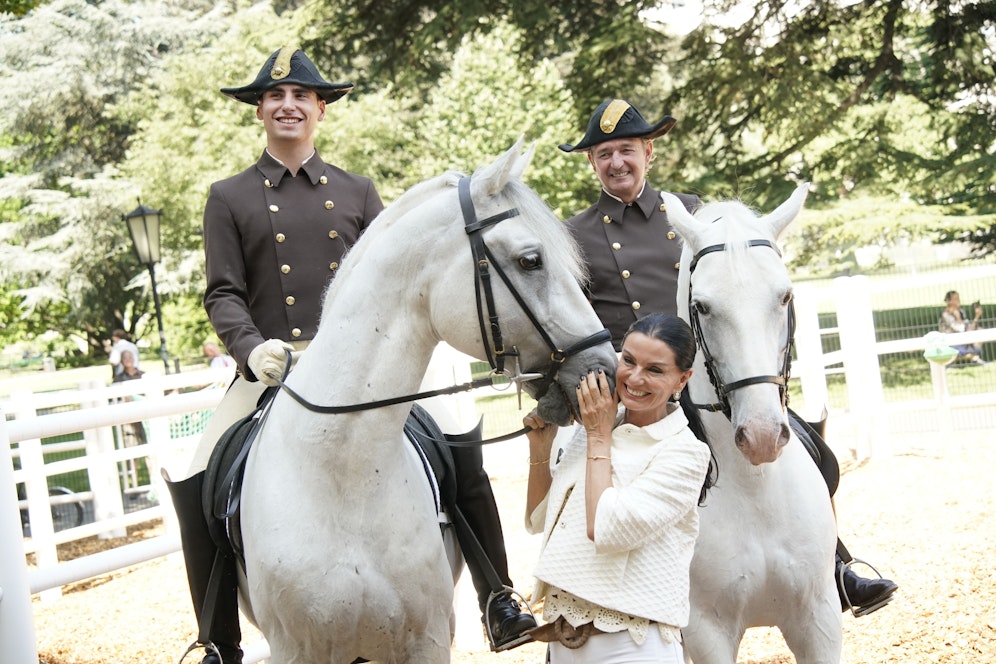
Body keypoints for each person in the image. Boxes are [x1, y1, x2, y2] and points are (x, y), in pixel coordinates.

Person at [162, 47, 533, 664]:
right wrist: (252, 351)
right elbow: (222, 292)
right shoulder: (228, 197)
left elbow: (396, 278)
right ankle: (219, 641)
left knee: (459, 444)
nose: (289, 105)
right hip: (271, 369)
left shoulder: (356, 191)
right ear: (260, 110)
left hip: (365, 371)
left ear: (321, 110)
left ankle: (498, 597)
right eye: (276, 97)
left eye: (301, 97)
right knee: (197, 470)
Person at [559, 98, 898, 616]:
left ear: (648, 151)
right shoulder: (575, 236)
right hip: (636, 391)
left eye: (626, 149)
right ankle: (580, 605)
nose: (617, 162)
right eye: (604, 154)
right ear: (592, 162)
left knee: (810, 450)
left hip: (707, 377)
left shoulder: (694, 211)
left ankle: (835, 563)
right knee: (583, 482)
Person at [522, 313, 711, 662]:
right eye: (628, 361)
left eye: (655, 370)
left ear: (682, 379)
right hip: (563, 640)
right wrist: (541, 449)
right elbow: (538, 521)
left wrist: (598, 436)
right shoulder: (595, 427)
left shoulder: (685, 453)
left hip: (631, 646)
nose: (635, 378)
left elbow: (606, 529)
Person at [111, 350, 147, 446]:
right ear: (121, 361)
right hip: (128, 417)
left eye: (130, 357)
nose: (128, 360)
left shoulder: (143, 375)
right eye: (125, 358)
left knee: (148, 443)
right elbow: (113, 400)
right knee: (131, 445)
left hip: (144, 415)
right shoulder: (118, 379)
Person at [939, 290, 986, 365]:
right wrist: (958, 318)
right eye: (955, 299)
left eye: (958, 299)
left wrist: (977, 316)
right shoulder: (946, 315)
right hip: (952, 341)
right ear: (948, 301)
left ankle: (975, 357)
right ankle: (953, 360)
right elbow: (961, 329)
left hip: (963, 337)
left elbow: (968, 327)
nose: (958, 301)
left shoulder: (960, 311)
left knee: (980, 330)